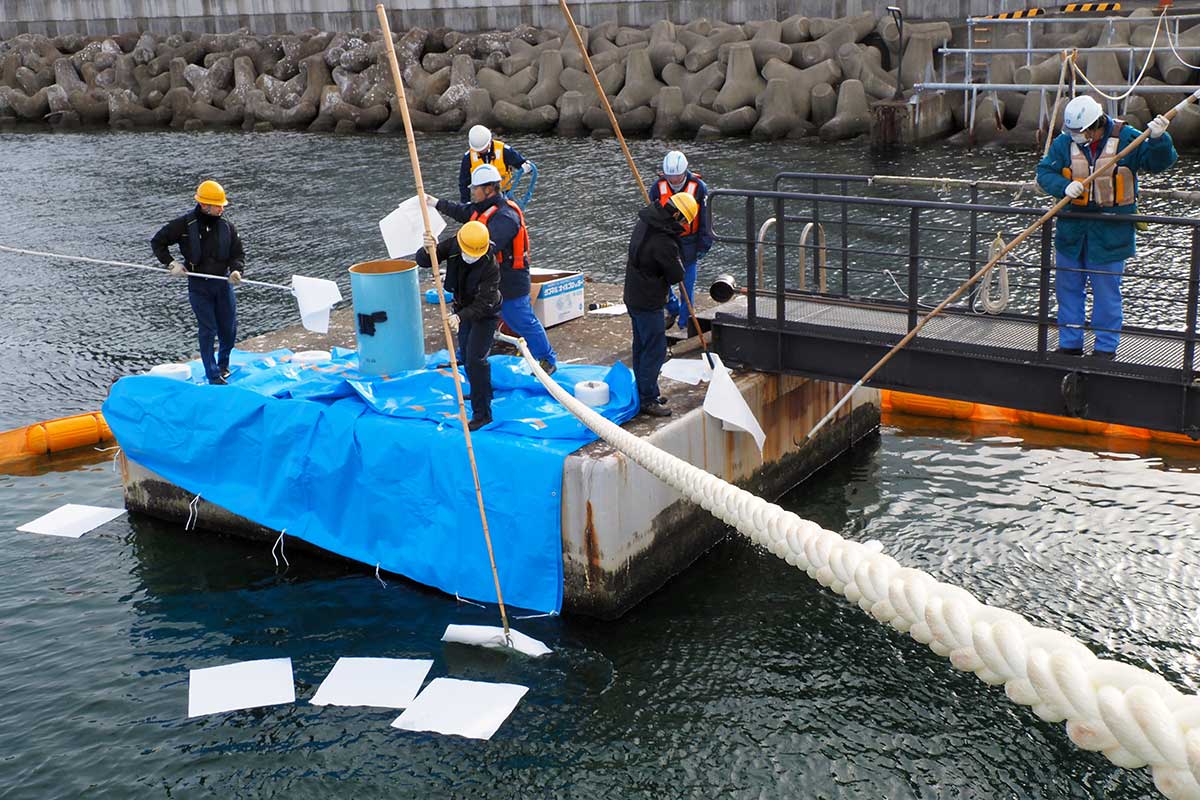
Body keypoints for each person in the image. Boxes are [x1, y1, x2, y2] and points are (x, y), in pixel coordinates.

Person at [1036, 95, 1177, 359]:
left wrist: (1159, 140)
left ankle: (1105, 347)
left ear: (1093, 126)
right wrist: (1063, 186)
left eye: (1079, 131)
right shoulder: (1064, 143)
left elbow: (1159, 164)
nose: (1075, 136)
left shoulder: (1128, 138)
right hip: (1072, 230)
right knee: (1068, 289)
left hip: (1111, 233)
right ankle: (1070, 343)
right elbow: (1044, 172)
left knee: (1107, 293)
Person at [427, 163, 558, 375]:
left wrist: (454, 256)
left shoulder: (506, 217)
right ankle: (464, 356)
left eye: (475, 189)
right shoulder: (481, 208)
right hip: (482, 280)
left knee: (521, 319)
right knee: (467, 317)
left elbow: (487, 246)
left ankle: (546, 358)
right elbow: (462, 212)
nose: (472, 192)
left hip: (509, 281)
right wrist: (436, 203)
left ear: (488, 189)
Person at [151, 179, 246, 385]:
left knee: (228, 329)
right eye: (218, 205)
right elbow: (158, 242)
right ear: (204, 205)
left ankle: (223, 365)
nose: (222, 208)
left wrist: (237, 270)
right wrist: (170, 263)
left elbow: (237, 253)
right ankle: (213, 375)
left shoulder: (227, 227)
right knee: (208, 328)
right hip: (199, 286)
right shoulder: (184, 225)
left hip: (222, 284)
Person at [416, 220, 501, 431]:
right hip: (463, 307)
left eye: (475, 253)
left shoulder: (490, 264)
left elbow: (484, 302)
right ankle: (481, 390)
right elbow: (426, 261)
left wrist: (460, 316)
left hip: (485, 313)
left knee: (476, 358)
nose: (471, 256)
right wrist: (427, 249)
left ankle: (483, 414)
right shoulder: (455, 245)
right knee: (466, 355)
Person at [623, 192, 698, 417]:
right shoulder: (664, 241)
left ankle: (647, 391)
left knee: (641, 346)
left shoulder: (645, 221)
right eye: (684, 221)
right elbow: (676, 274)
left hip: (634, 295)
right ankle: (647, 400)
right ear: (676, 214)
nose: (684, 227)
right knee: (654, 351)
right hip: (648, 301)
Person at [649, 150, 713, 335]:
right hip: (666, 239)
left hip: (690, 241)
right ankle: (672, 306)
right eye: (670, 176)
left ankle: (685, 322)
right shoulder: (657, 187)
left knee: (687, 283)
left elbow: (705, 218)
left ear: (684, 172)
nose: (674, 180)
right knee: (661, 279)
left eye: (677, 176)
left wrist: (704, 244)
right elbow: (652, 213)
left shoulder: (699, 187)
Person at [458, 125, 534, 204]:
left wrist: (527, 167)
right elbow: (463, 183)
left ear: (490, 141)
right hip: (482, 198)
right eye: (480, 150)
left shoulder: (504, 150)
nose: (482, 151)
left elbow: (521, 163)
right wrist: (466, 202)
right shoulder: (468, 158)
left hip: (505, 195)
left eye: (484, 148)